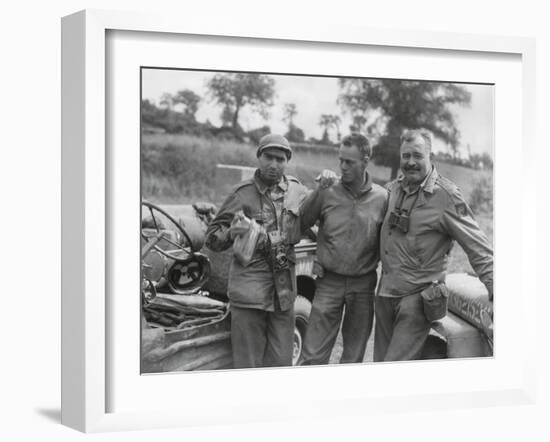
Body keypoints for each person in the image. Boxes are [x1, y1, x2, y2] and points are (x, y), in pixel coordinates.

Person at [374, 128, 493, 362]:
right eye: (405, 156)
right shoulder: (393, 189)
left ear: (430, 157)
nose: (410, 162)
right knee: (379, 364)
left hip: (417, 299)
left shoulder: (446, 196)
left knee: (392, 370)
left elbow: (478, 247)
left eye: (417, 156)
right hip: (385, 294)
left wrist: (497, 287)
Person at [205, 134, 309, 368]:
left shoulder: (298, 192)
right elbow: (212, 238)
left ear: (288, 161)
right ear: (258, 157)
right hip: (249, 292)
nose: (273, 164)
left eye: (280, 159)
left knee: (281, 363)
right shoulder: (241, 194)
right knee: (247, 365)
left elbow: (314, 222)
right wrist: (232, 232)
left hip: (283, 293)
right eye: (268, 157)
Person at [299, 133, 388, 365]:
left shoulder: (382, 198)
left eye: (350, 162)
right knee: (313, 355)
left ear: (366, 160)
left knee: (353, 357)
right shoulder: (328, 190)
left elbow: (389, 243)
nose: (343, 167)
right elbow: (301, 223)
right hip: (328, 282)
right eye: (341, 160)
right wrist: (317, 190)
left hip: (363, 285)